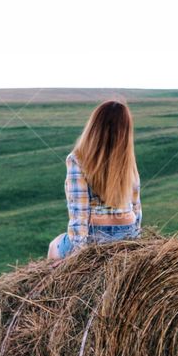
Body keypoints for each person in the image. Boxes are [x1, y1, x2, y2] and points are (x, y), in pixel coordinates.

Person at [48, 100, 142, 260]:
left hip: (95, 234)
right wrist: (138, 242)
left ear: (94, 127)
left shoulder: (77, 159)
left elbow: (79, 213)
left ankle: (53, 284)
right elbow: (136, 206)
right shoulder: (128, 160)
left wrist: (77, 258)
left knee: (53, 246)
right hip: (127, 231)